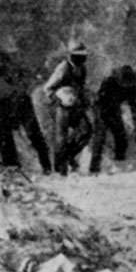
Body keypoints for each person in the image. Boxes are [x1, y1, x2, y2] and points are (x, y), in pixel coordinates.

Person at [42, 39, 93, 175]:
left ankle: (69, 156)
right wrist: (59, 100)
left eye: (83, 55)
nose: (83, 58)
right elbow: (48, 89)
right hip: (60, 106)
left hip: (75, 105)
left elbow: (80, 88)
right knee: (60, 138)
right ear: (72, 56)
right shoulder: (63, 68)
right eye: (80, 55)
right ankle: (60, 170)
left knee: (86, 130)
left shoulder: (82, 69)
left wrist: (84, 101)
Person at [89, 65, 136, 173]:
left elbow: (133, 104)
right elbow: (100, 100)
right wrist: (104, 119)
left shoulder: (131, 86)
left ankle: (119, 164)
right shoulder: (109, 81)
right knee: (100, 137)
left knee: (121, 136)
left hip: (114, 110)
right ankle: (94, 168)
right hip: (101, 108)